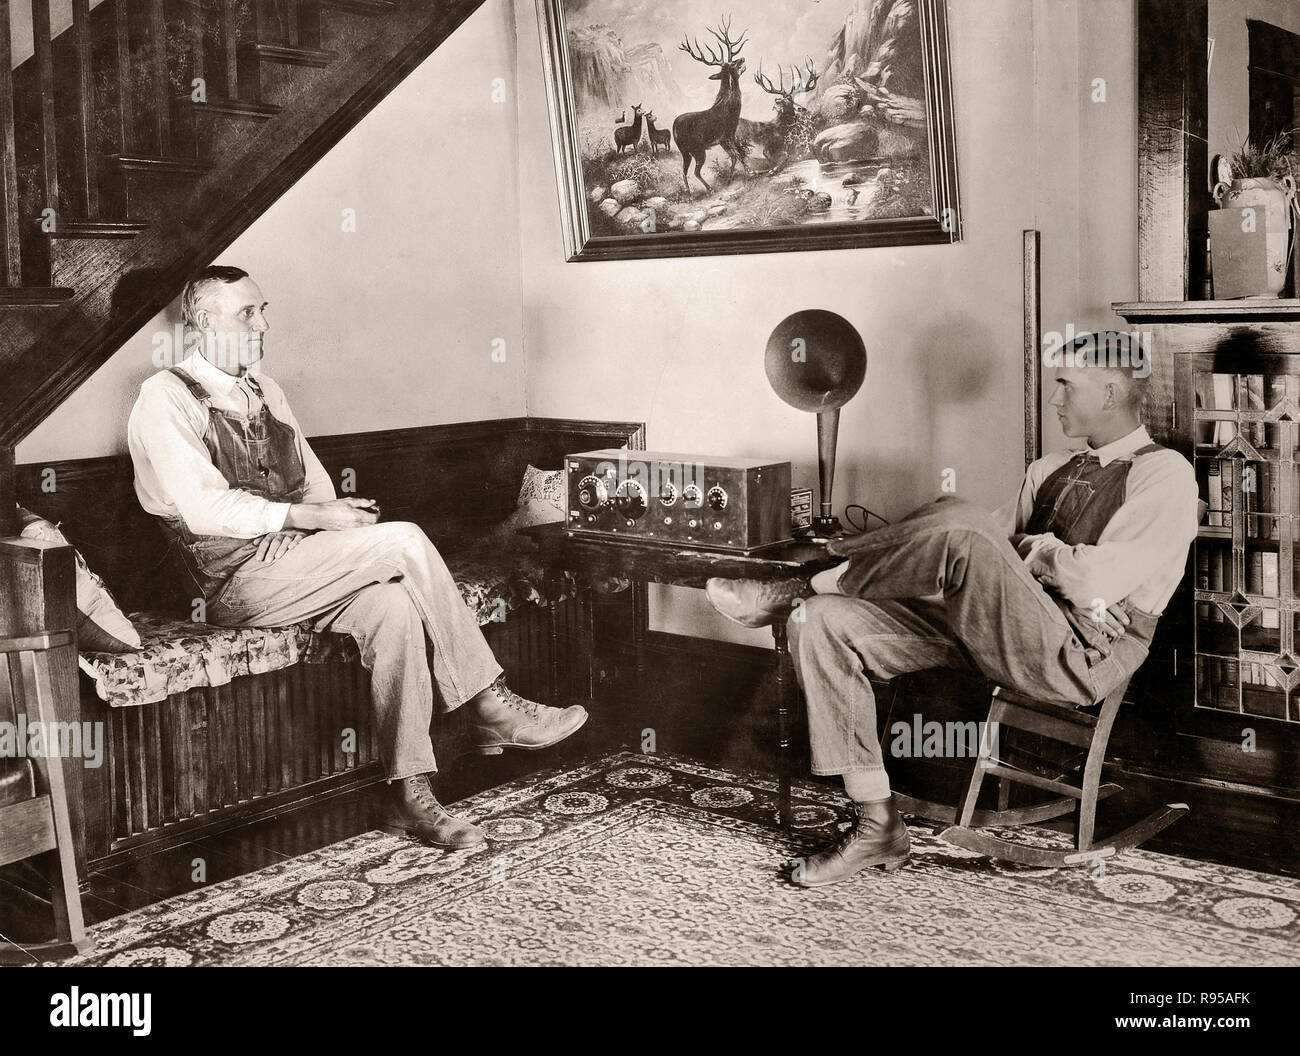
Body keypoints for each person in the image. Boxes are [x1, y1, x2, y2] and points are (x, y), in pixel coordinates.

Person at [706, 335, 1199, 887]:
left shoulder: (1165, 474)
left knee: (962, 522)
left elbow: (1094, 582)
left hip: (1082, 650)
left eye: (1066, 385)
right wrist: (1023, 561)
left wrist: (1029, 552)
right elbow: (962, 554)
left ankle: (799, 583)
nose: (1055, 400)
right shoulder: (1050, 469)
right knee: (823, 619)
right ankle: (877, 824)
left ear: (1110, 391)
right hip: (1003, 628)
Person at [127, 265, 588, 851]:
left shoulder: (267, 392)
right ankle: (488, 702)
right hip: (227, 585)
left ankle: (411, 794)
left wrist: (327, 519)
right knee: (405, 539)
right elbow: (202, 508)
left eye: (264, 310)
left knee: (394, 605)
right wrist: (310, 520)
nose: (263, 323)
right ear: (202, 323)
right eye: (248, 313)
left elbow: (316, 488)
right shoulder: (163, 397)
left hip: (299, 563)